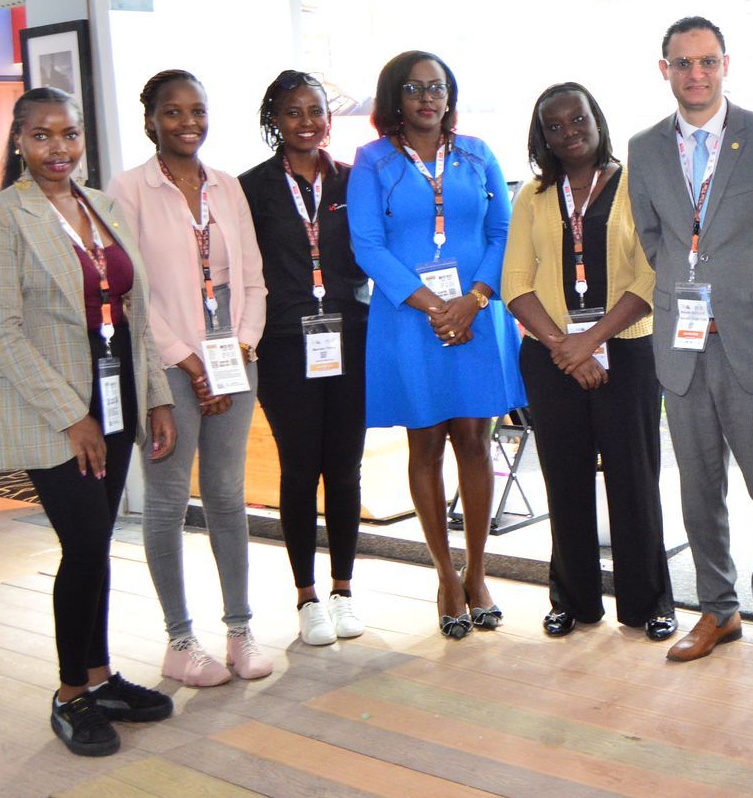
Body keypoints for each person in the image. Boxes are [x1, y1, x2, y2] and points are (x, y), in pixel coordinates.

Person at [0, 88, 177, 755]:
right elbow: (1, 332)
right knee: (84, 542)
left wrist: (157, 396)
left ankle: (100, 676)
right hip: (51, 406)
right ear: (19, 142)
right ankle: (69, 695)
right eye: (42, 136)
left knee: (98, 539)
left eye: (69, 134)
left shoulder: (102, 207)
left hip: (115, 391)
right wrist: (70, 416)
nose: (58, 149)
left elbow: (135, 314)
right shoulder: (1, 216)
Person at [628, 15, 753, 670]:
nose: (695, 74)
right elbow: (653, 238)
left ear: (726, 64)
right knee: (698, 488)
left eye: (707, 61)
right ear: (664, 69)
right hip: (682, 341)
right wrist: (687, 286)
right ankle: (718, 609)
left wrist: (740, 287)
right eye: (683, 63)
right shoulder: (644, 148)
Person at [347, 50, 525, 640]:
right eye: (414, 88)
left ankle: (477, 573)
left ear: (450, 96)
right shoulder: (372, 161)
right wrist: (435, 306)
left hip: (477, 313)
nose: (428, 98)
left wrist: (473, 299)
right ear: (394, 97)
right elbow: (368, 245)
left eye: (438, 87)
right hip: (410, 321)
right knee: (424, 442)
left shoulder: (478, 153)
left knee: (474, 440)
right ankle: (445, 576)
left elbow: (503, 231)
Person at [112, 69, 270, 687]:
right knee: (169, 499)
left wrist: (242, 347)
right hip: (165, 365)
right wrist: (189, 359)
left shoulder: (228, 187)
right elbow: (132, 291)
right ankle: (180, 641)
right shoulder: (128, 190)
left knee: (228, 494)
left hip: (234, 357)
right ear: (150, 120)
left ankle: (239, 630)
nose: (188, 122)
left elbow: (252, 277)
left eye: (198, 110)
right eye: (173, 112)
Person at [504, 83, 677, 642]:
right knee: (565, 481)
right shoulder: (532, 196)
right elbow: (515, 282)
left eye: (577, 119)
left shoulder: (635, 185)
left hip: (627, 352)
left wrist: (591, 340)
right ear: (542, 137)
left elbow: (651, 277)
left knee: (634, 480)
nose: (569, 133)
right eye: (554, 126)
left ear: (597, 120)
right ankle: (573, 600)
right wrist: (565, 346)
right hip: (551, 357)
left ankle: (647, 602)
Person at [240, 70, 368, 648]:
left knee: (344, 467)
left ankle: (343, 590)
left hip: (350, 335)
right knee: (299, 468)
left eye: (316, 110)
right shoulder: (252, 189)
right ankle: (307, 597)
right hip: (285, 344)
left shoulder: (352, 180)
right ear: (275, 120)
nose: (307, 122)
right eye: (293, 112)